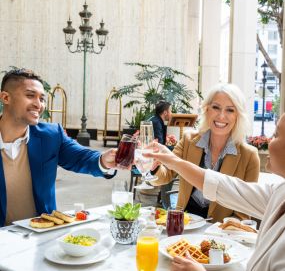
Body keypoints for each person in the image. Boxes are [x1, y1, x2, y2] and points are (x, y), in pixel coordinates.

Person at [145, 114, 285, 271]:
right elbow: (221, 186)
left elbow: (235, 206)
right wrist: (170, 160)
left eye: (276, 134)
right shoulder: (279, 193)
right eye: (215, 107)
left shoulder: (250, 156)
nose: (270, 140)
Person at [0, 68, 119, 227]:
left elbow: (81, 157)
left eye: (42, 98)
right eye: (30, 95)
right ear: (5, 97)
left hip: (39, 235)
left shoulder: (51, 135)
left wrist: (104, 160)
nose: (38, 104)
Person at [150, 83, 260, 222]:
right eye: (216, 107)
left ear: (238, 115)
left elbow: (244, 212)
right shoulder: (188, 141)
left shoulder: (249, 156)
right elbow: (165, 175)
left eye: (230, 110)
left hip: (221, 233)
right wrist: (153, 167)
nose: (221, 116)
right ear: (206, 109)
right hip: (184, 225)